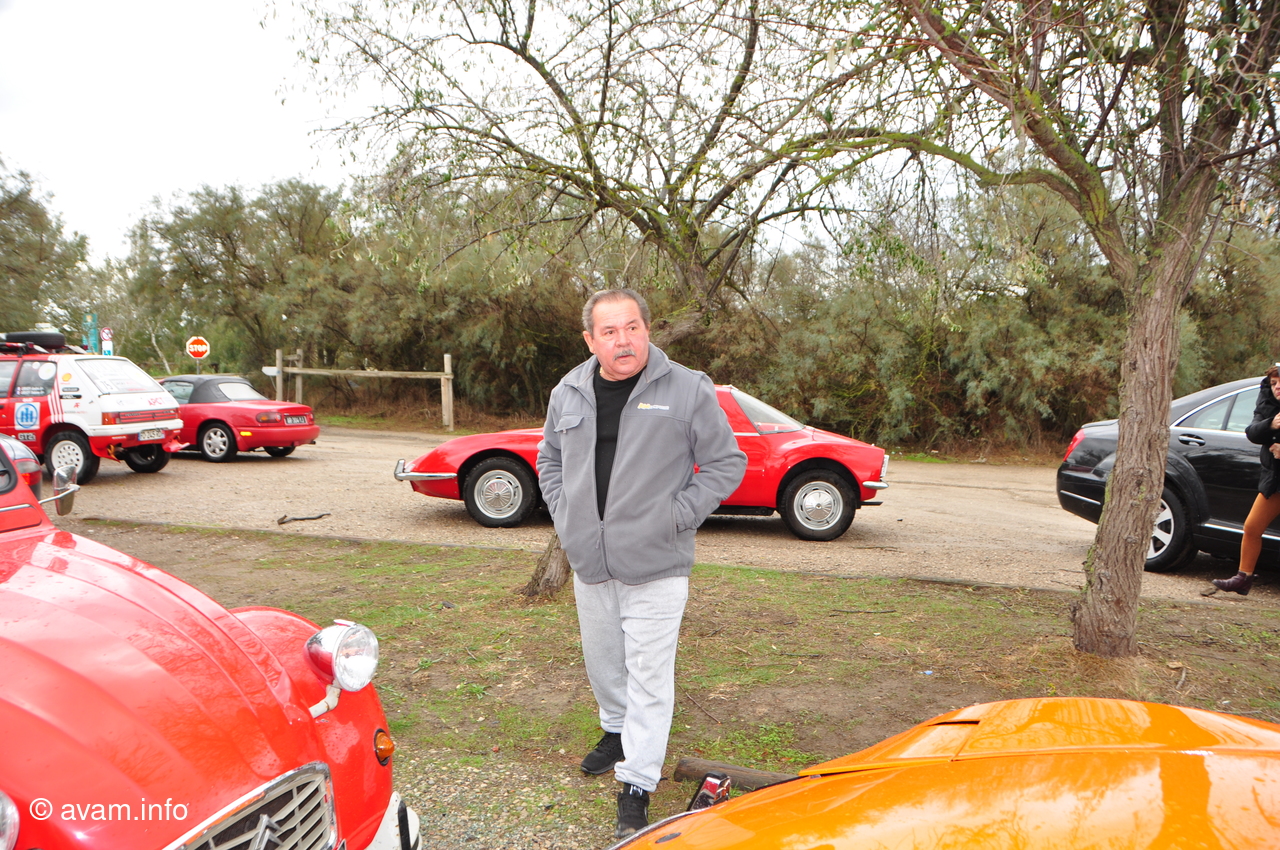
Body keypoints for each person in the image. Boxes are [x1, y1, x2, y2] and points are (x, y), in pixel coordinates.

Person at [537, 288, 747, 838]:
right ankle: (615, 730)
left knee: (650, 677)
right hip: (590, 560)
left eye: (632, 327)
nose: (623, 340)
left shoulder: (687, 389)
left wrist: (678, 515)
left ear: (648, 329)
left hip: (657, 563)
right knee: (604, 663)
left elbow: (726, 463)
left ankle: (636, 783)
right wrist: (566, 514)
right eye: (609, 331)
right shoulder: (568, 391)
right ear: (591, 340)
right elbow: (549, 460)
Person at [1210, 364, 1280, 595]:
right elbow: (1252, 432)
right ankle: (1243, 578)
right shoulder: (1268, 405)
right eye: (1274, 383)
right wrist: (1271, 424)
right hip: (1275, 481)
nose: (1277, 388)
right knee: (1252, 526)